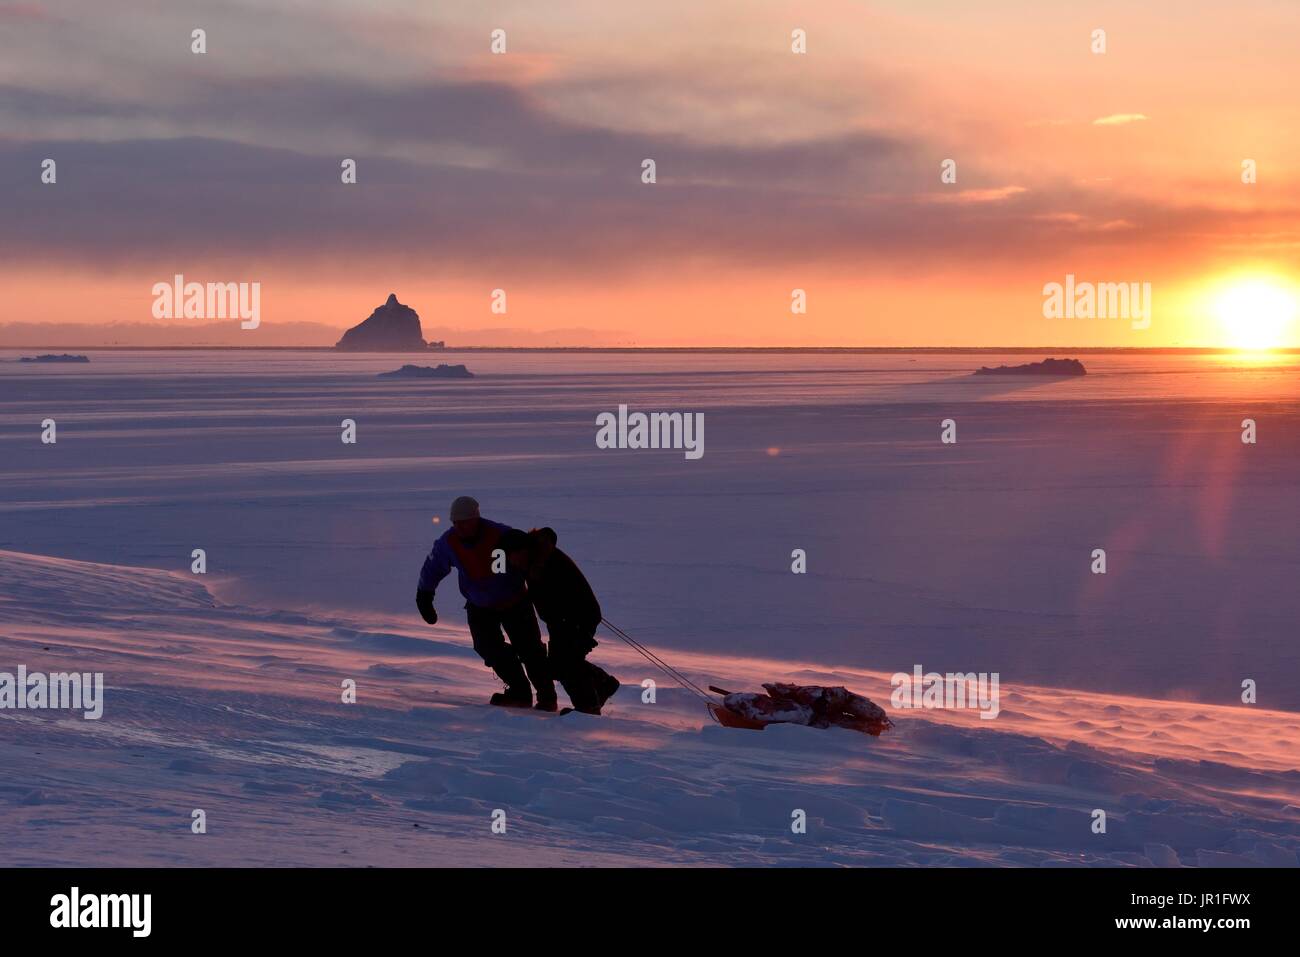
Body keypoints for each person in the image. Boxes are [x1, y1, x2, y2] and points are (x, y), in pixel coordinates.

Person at [415, 496, 557, 710]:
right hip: (479, 606)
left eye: (463, 522)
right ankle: (519, 691)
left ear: (476, 519)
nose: (459, 527)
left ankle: (547, 698)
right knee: (488, 647)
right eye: (455, 523)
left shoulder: (500, 536)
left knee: (530, 650)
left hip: (514, 602)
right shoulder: (449, 542)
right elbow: (433, 567)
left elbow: (515, 565)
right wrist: (424, 595)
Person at [500, 527, 619, 715]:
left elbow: (565, 592)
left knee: (567, 662)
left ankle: (588, 707)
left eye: (511, 556)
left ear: (521, 551)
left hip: (577, 617)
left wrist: (573, 625)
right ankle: (603, 683)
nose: (511, 562)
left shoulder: (545, 562)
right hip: (562, 620)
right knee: (559, 664)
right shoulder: (534, 562)